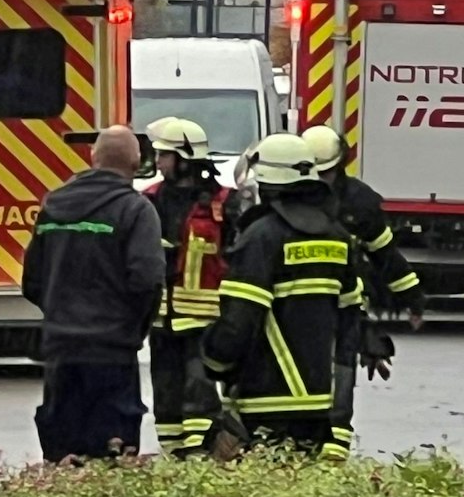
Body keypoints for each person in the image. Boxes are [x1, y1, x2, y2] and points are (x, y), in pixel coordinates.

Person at [201, 133, 373, 461]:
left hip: (263, 400)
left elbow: (239, 321)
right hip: (319, 403)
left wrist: (214, 361)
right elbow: (349, 320)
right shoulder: (337, 238)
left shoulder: (261, 238)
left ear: (266, 183)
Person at [21, 125, 166, 461]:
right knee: (111, 454)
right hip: (112, 352)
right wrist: (133, 329)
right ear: (136, 163)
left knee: (64, 454)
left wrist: (60, 314)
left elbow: (32, 281)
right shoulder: (136, 210)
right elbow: (147, 280)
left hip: (61, 351)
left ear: (92, 157)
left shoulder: (54, 205)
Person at [139, 117, 232, 457]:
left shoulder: (224, 204)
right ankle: (173, 459)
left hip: (205, 320)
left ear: (184, 158)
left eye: (164, 155)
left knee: (200, 393)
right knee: (165, 395)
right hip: (163, 319)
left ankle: (200, 458)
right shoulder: (149, 200)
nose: (158, 162)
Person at [300, 125, 424, 331]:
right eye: (314, 173)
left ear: (339, 165)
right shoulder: (286, 199)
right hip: (295, 307)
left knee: (341, 362)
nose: (320, 180)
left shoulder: (359, 202)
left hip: (347, 309)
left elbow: (384, 254)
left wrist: (413, 299)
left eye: (326, 173)